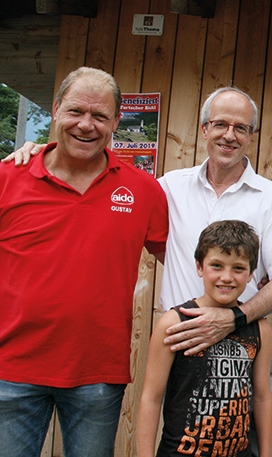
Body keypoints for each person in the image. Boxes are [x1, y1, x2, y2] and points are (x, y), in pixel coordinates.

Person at [7, 86, 272, 456]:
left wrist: (233, 318)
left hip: (243, 348)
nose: (229, 135)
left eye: (241, 128)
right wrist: (40, 150)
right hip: (180, 348)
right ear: (203, 129)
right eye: (220, 124)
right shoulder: (166, 189)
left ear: (251, 136)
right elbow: (101, 171)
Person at [0, 67, 169, 457]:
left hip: (96, 372)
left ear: (116, 121)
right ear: (56, 109)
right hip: (11, 370)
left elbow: (178, 261)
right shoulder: (9, 177)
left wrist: (236, 310)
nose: (86, 125)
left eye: (100, 116)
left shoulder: (142, 191)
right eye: (76, 111)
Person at [137, 220, 272, 457]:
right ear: (200, 266)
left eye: (238, 268)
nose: (227, 277)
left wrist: (266, 454)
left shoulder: (259, 328)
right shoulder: (175, 323)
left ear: (251, 273)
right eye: (217, 266)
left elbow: (261, 397)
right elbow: (151, 397)